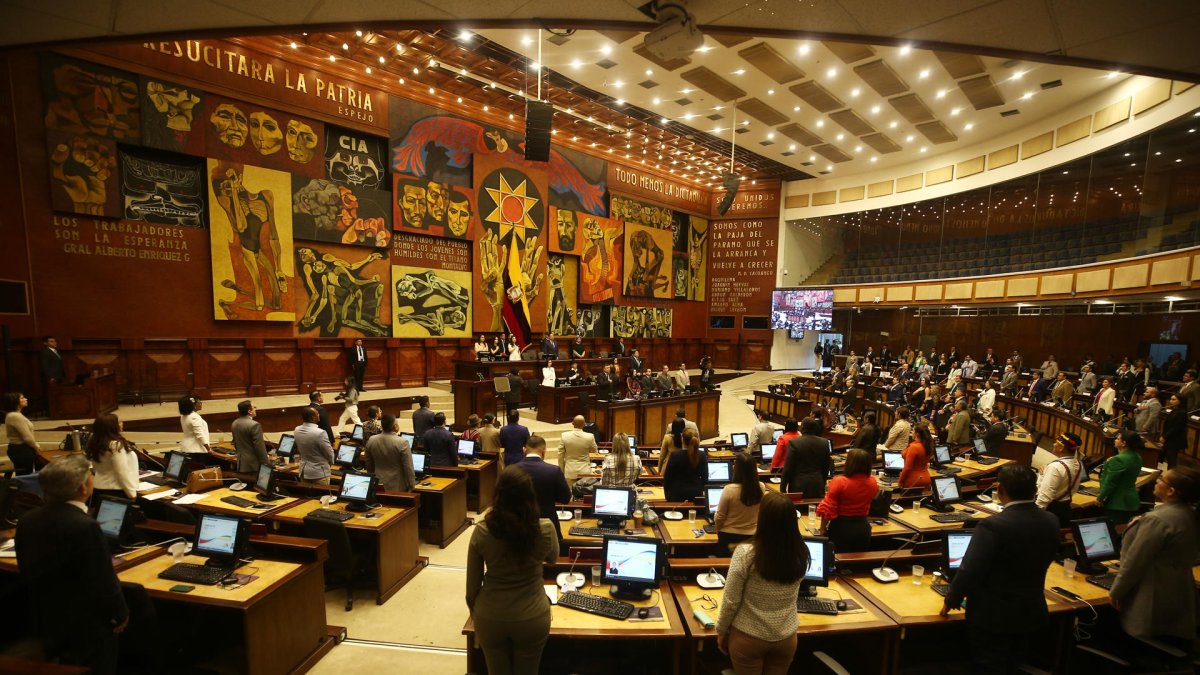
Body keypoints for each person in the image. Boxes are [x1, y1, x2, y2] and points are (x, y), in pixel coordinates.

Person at [940, 464, 1060, 675]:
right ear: (1035, 490)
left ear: (999, 489)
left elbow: (970, 569)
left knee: (989, 666)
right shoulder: (1051, 520)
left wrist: (952, 599)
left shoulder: (994, 525)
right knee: (1014, 663)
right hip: (1030, 610)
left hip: (993, 614)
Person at [16, 455, 129, 674]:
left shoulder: (27, 520)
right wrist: (121, 613)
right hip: (87, 627)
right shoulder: (86, 527)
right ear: (83, 488)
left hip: (43, 618)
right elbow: (102, 581)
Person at [465, 466, 558, 675]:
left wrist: (476, 614)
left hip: (490, 615)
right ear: (530, 496)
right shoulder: (545, 528)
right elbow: (552, 559)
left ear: (497, 495)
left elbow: (472, 588)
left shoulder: (482, 531)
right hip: (532, 615)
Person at [716, 490, 808, 675]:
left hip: (748, 637)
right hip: (786, 637)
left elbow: (731, 601)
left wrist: (721, 630)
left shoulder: (746, 554)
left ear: (762, 518)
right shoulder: (801, 553)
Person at [1109, 465, 1200, 642]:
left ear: (1171, 491)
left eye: (1162, 479)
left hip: (1151, 598)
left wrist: (1116, 592)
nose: (1157, 481)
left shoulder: (1157, 520)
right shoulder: (1189, 515)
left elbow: (1135, 562)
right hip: (1179, 595)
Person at [816, 448, 877, 553]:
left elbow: (828, 508)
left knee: (837, 559)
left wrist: (822, 528)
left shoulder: (840, 482)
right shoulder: (872, 482)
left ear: (850, 463)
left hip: (841, 528)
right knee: (858, 560)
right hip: (863, 528)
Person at [513, 435, 571, 543]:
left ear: (524, 450)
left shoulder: (512, 470)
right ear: (544, 452)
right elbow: (566, 498)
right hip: (548, 525)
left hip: (519, 525)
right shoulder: (554, 471)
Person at [714, 452, 763, 551]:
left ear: (736, 469)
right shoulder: (761, 487)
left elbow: (719, 517)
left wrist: (717, 530)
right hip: (752, 537)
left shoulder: (729, 489)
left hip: (729, 537)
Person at [1035, 432, 1084, 528]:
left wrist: (1034, 515)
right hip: (1065, 509)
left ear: (1061, 448)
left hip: (1051, 512)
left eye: (1056, 443)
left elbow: (1045, 497)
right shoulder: (1078, 464)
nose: (1053, 444)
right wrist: (1043, 475)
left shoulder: (1055, 467)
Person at [86, 413, 139, 500]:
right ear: (112, 426)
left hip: (98, 488)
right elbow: (121, 472)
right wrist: (132, 493)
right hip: (115, 491)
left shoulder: (95, 442)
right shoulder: (115, 445)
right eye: (119, 422)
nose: (121, 423)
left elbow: (95, 468)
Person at [1099, 430, 1144, 525]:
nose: (1115, 440)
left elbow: (1111, 482)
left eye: (1118, 439)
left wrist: (1100, 498)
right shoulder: (1137, 457)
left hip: (1117, 502)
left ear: (1124, 443)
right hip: (1131, 500)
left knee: (1114, 529)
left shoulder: (1118, 459)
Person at [781, 417, 830, 498]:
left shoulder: (794, 443)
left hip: (798, 486)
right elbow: (826, 467)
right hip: (817, 485)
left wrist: (782, 489)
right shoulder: (824, 443)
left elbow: (788, 468)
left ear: (802, 428)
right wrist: (822, 482)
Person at [365, 415, 416, 493]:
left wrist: (372, 480)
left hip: (377, 483)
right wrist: (412, 485)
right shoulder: (402, 442)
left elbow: (369, 464)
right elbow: (408, 467)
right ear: (395, 426)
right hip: (397, 485)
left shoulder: (371, 440)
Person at [662, 427, 706, 502]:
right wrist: (699, 491)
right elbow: (705, 478)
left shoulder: (675, 455)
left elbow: (667, 478)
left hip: (676, 495)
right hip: (696, 495)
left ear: (682, 440)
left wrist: (667, 495)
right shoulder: (702, 455)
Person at [295, 406, 334, 484]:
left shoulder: (297, 429)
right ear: (313, 418)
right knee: (322, 492)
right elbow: (329, 453)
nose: (319, 415)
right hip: (319, 473)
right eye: (317, 414)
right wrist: (330, 463)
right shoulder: (320, 433)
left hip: (304, 471)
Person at [3, 392, 38, 474]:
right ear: (15, 401)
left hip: (20, 448)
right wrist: (36, 447)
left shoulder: (16, 414)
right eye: (22, 398)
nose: (26, 399)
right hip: (21, 449)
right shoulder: (15, 416)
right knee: (25, 475)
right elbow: (27, 437)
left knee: (26, 473)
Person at [232, 400, 270, 474]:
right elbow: (259, 447)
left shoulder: (235, 423)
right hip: (253, 465)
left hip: (241, 463)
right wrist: (267, 465)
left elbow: (235, 444)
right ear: (249, 411)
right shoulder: (255, 425)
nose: (255, 409)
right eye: (254, 407)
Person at [557, 415, 596, 487]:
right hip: (585, 471)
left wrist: (562, 470)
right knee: (583, 493)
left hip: (570, 471)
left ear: (572, 423)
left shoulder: (564, 436)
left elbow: (560, 455)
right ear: (584, 424)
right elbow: (594, 451)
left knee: (570, 492)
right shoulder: (590, 436)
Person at [899, 421, 932, 490]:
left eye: (913, 430)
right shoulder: (928, 445)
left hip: (913, 479)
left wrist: (900, 480)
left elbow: (908, 467)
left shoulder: (914, 447)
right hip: (926, 477)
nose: (912, 432)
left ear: (917, 433)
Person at [1159, 393, 1188, 468]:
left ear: (1180, 401)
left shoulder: (1182, 413)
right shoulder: (1175, 410)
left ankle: (1172, 474)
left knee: (1171, 460)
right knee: (1163, 457)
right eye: (1171, 399)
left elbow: (1177, 428)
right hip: (1169, 438)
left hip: (1174, 440)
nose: (1170, 401)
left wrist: (1164, 437)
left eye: (1173, 399)